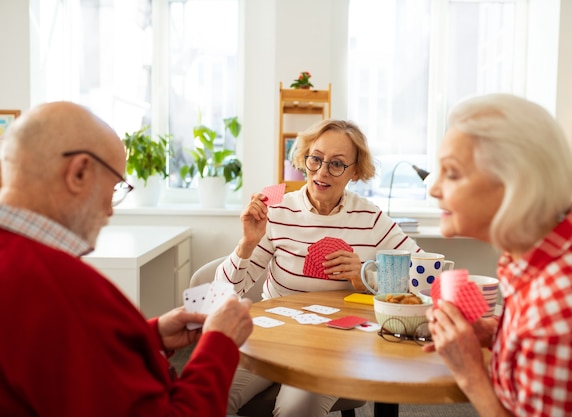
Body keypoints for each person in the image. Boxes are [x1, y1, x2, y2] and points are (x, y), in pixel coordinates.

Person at [0, 101, 254, 417]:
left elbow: (59, 357)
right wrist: (220, 343)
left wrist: (148, 337)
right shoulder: (62, 287)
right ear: (79, 172)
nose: (110, 209)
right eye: (116, 186)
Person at [423, 93, 572, 416]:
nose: (434, 189)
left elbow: (554, 328)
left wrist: (470, 372)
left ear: (513, 185)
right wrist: (497, 330)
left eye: (452, 173)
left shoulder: (554, 323)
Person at [214, 119, 423, 416]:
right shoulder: (278, 213)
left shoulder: (370, 218)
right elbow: (221, 292)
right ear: (305, 158)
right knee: (210, 395)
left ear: (355, 171)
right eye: (316, 159)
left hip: (334, 344)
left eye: (337, 164)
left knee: (295, 409)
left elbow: (425, 274)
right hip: (273, 335)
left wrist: (366, 275)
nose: (322, 172)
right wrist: (247, 244)